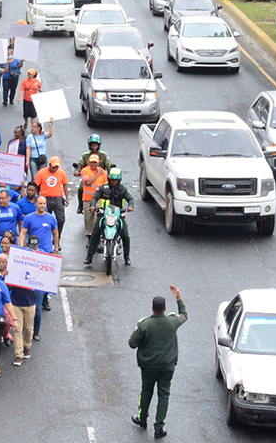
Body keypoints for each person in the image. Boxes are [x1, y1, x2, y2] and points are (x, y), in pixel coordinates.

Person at [129, 285, 187, 439]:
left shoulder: (145, 324)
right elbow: (184, 314)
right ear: (165, 308)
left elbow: (132, 343)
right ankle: (159, 428)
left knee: (146, 391)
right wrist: (178, 298)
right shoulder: (172, 321)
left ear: (153, 308)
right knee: (164, 395)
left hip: (148, 366)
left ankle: (142, 419)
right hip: (168, 366)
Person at [85, 167, 135, 265]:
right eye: (112, 180)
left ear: (119, 180)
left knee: (125, 235)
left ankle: (126, 257)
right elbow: (95, 197)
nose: (113, 182)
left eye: (115, 180)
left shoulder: (123, 189)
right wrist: (92, 205)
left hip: (118, 215)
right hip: (104, 214)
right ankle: (89, 256)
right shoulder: (103, 188)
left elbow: (130, 199)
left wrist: (130, 206)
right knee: (95, 233)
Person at [73, 133, 111, 213]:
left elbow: (109, 164)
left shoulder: (103, 155)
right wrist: (77, 171)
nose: (94, 147)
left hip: (101, 179)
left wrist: (112, 170)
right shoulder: (85, 156)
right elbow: (80, 164)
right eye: (92, 145)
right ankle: (80, 205)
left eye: (95, 145)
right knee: (80, 189)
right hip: (88, 178)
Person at [34, 156, 69, 238]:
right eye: (53, 167)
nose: (55, 169)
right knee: (45, 221)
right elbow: (36, 186)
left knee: (61, 220)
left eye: (57, 167)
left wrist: (67, 198)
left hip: (58, 199)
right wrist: (36, 198)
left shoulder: (61, 173)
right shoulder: (41, 173)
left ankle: (57, 238)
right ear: (49, 165)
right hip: (45, 199)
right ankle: (46, 238)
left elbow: (65, 184)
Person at [80, 153, 109, 238]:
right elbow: (88, 182)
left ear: (98, 163)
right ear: (89, 162)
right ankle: (89, 235)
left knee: (97, 219)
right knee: (88, 218)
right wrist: (97, 174)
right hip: (87, 199)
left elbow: (106, 186)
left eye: (95, 162)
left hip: (98, 200)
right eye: (92, 162)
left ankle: (97, 237)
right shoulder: (85, 171)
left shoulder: (103, 173)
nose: (93, 164)